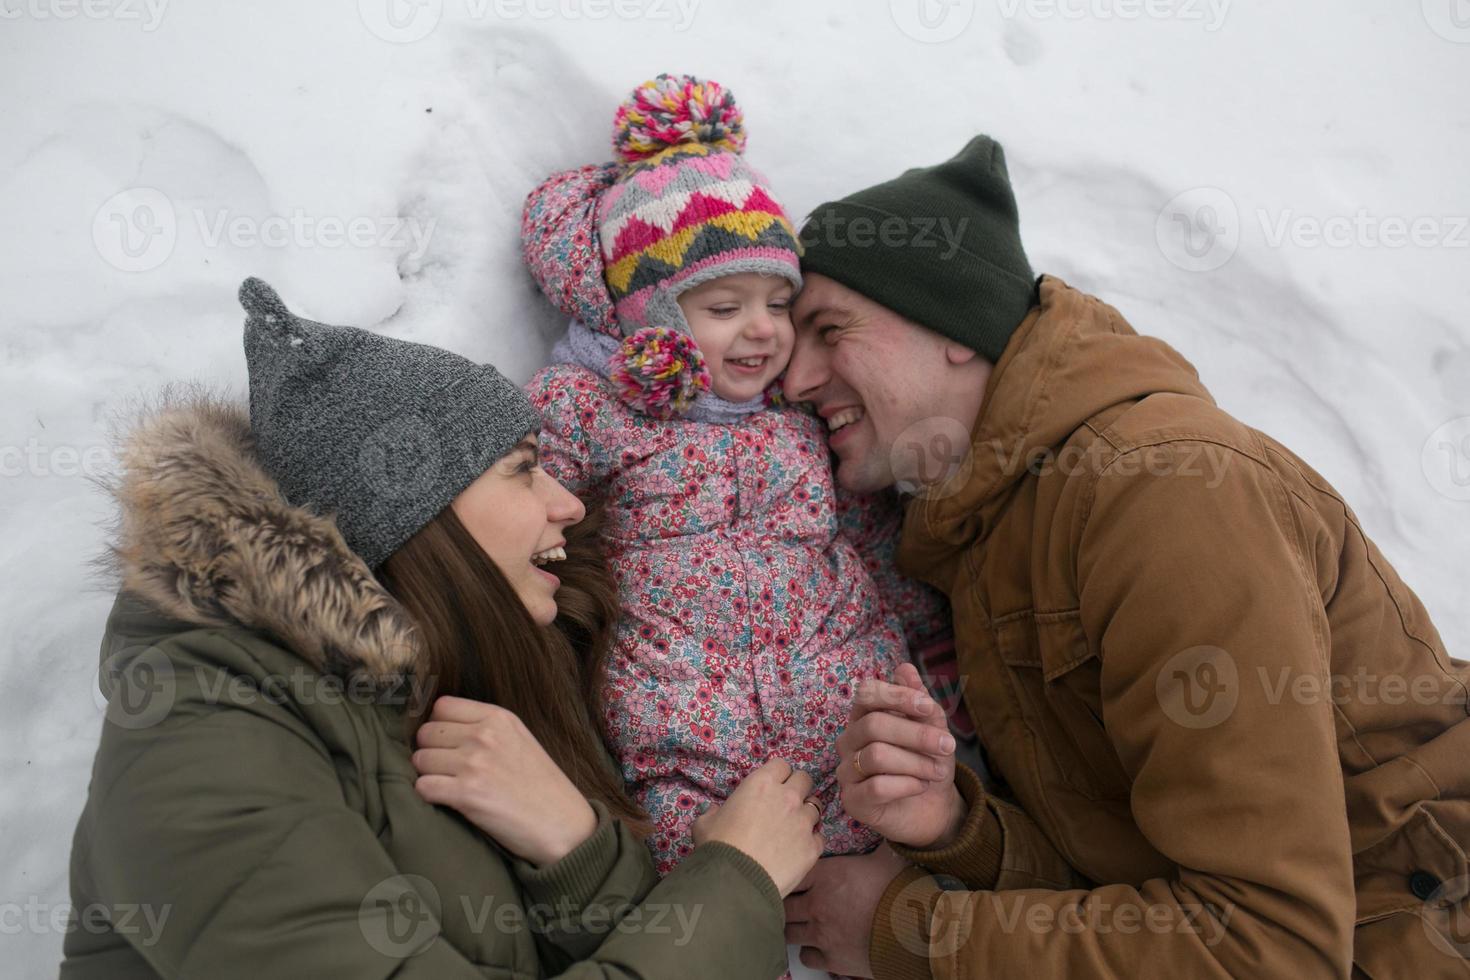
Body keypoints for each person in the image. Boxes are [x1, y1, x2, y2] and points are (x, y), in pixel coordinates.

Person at [781, 134, 1470, 978]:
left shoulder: (1160, 489)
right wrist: (962, 832)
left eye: (829, 329)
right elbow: (1134, 880)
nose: (794, 378)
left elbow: (1272, 946)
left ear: (952, 325)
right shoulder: (984, 535)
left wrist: (914, 936)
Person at [60, 277, 824, 979]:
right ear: (413, 513)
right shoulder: (203, 746)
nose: (569, 504)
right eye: (524, 468)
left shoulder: (467, 675)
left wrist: (575, 850)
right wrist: (734, 876)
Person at [518, 72, 958, 886]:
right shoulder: (590, 404)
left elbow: (867, 538)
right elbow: (527, 517)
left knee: (874, 873)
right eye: (723, 307)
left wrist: (930, 654)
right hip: (677, 722)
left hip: (838, 705)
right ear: (650, 316)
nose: (762, 330)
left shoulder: (799, 417)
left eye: (776, 303)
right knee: (707, 884)